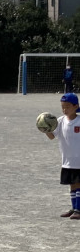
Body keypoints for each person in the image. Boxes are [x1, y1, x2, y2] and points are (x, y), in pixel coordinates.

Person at [41, 92, 80, 220]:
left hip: (78, 160)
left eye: (67, 106)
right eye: (62, 106)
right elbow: (52, 136)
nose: (64, 109)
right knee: (72, 184)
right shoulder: (60, 121)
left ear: (76, 106)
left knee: (78, 184)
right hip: (67, 161)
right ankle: (74, 207)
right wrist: (45, 129)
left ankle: (78, 209)